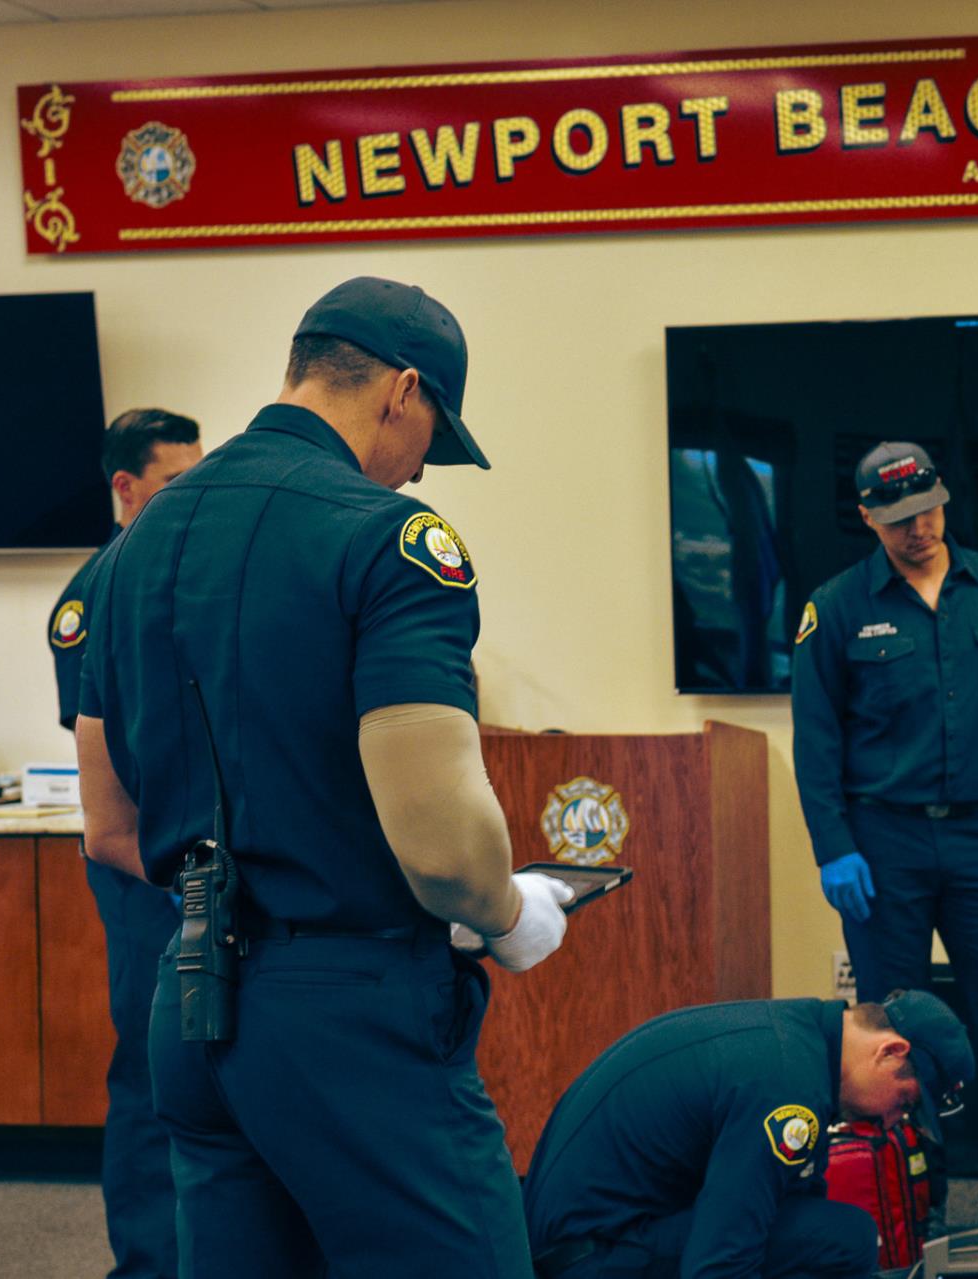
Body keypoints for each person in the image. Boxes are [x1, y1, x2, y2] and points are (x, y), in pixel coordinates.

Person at [75, 276, 574, 1278]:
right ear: (402, 389)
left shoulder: (130, 554)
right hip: (353, 1019)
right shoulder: (390, 541)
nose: (421, 468)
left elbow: (108, 822)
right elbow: (444, 850)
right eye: (431, 436)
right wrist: (512, 912)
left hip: (192, 1005)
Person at [790, 441, 978, 1225]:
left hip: (977, 837)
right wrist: (833, 845)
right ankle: (913, 1208)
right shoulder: (836, 607)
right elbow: (816, 741)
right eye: (899, 519)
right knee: (893, 1034)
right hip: (882, 842)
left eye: (928, 511)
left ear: (943, 498)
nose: (918, 530)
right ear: (867, 518)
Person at [46, 407, 201, 1279]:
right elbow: (113, 755)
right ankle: (145, 1265)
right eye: (176, 481)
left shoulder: (174, 570)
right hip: (139, 861)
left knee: (198, 1065)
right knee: (149, 1069)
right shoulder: (96, 592)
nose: (193, 494)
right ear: (126, 487)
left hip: (192, 855)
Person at [524, 989, 976, 1279]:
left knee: (814, 1226)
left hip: (581, 1234)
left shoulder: (798, 1039)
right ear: (891, 1051)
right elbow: (719, 1263)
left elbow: (789, 1206)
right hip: (587, 1255)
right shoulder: (788, 1094)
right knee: (847, 1236)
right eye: (906, 1103)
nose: (893, 1122)